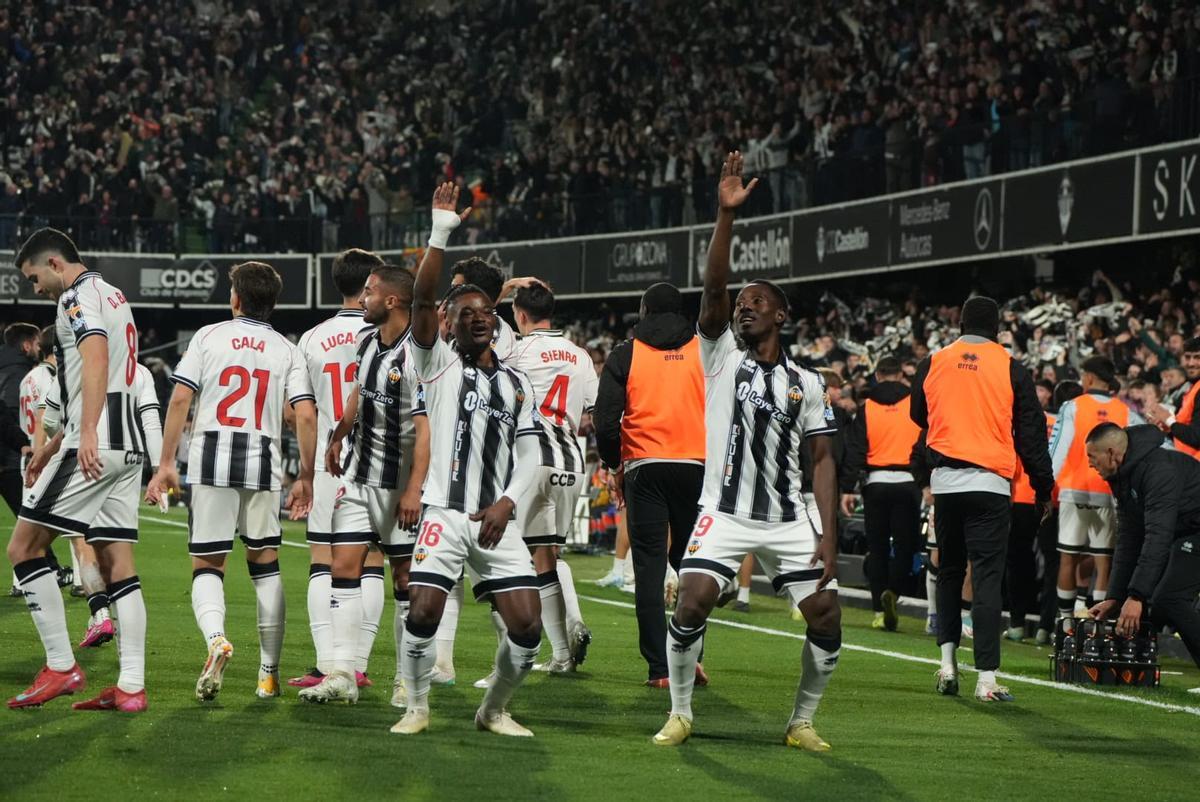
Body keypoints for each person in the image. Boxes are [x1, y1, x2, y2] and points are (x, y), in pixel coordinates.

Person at [654, 152, 841, 751]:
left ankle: (801, 721)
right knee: (693, 601)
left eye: (756, 300)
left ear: (781, 315)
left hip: (788, 517)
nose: (744, 305)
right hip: (726, 510)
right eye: (742, 301)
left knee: (827, 620)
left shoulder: (808, 383)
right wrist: (725, 216)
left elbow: (823, 461)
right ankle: (680, 712)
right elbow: (712, 290)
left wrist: (828, 534)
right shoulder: (722, 360)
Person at [390, 183, 542, 737]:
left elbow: (530, 455)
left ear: (496, 322)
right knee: (423, 611)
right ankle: (417, 706)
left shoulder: (517, 380)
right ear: (447, 324)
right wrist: (439, 232)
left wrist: (507, 500)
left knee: (528, 630)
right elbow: (425, 297)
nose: (478, 318)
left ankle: (494, 709)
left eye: (486, 312)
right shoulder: (436, 367)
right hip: (444, 514)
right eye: (465, 312)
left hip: (496, 518)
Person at [146, 261, 317, 702]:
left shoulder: (208, 336)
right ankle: (268, 674)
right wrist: (306, 477)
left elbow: (181, 396)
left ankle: (217, 639)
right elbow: (304, 413)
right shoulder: (287, 349)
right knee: (266, 567)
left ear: (236, 299)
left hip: (210, 459)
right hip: (262, 459)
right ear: (273, 303)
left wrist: (166, 462)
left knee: (207, 565)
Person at [8, 228, 148, 712]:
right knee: (118, 566)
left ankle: (62, 666)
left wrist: (85, 432)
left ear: (53, 263)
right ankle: (131, 687)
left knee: (23, 548)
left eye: (33, 278)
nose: (34, 288)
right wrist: (48, 451)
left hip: (99, 441)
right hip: (128, 445)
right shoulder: (112, 293)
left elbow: (95, 356)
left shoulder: (75, 296)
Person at [910, 295, 1053, 703]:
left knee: (950, 572)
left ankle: (947, 665)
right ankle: (987, 678)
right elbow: (1031, 435)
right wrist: (1043, 488)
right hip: (989, 482)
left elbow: (919, 415)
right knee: (988, 578)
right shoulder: (1010, 367)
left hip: (945, 484)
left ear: (960, 324)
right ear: (997, 327)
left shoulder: (934, 361)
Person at [299, 263, 429, 706]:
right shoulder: (366, 341)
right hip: (360, 475)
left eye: (370, 292)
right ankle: (341, 672)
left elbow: (427, 428)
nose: (362, 299)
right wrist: (337, 436)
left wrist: (414, 489)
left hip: (402, 485)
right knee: (344, 567)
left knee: (405, 579)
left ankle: (406, 678)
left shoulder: (422, 353)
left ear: (392, 300)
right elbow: (358, 392)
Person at [593, 279, 706, 687]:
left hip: (645, 464)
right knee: (695, 566)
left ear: (644, 312)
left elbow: (606, 420)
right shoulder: (703, 350)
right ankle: (692, 660)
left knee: (650, 566)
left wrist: (614, 461)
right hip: (697, 465)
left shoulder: (626, 352)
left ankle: (661, 669)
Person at [289, 248, 379, 689]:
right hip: (383, 462)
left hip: (331, 462)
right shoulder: (390, 332)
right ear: (372, 284)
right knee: (375, 563)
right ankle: (358, 664)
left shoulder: (311, 338)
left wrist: (305, 473)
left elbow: (302, 414)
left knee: (323, 562)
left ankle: (328, 665)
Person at [508, 280, 598, 673]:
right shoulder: (580, 356)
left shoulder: (516, 350)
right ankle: (563, 651)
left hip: (529, 461)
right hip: (571, 463)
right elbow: (595, 410)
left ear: (521, 315)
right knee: (547, 556)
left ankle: (511, 659)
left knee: (507, 561)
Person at [41, 363, 161, 648]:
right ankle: (131, 668)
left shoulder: (75, 363)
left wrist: (61, 441)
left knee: (74, 539)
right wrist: (158, 469)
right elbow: (151, 420)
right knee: (119, 554)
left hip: (86, 454)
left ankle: (99, 613)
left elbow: (49, 421)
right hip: (128, 459)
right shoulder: (139, 371)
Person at [1087, 423, 1200, 670]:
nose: (1089, 464)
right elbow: (1129, 539)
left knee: (1169, 599)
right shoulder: (1123, 475)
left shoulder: (1158, 470)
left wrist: (1137, 595)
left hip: (1192, 528)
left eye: (1092, 457)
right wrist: (1116, 597)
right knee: (1151, 603)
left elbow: (1157, 536)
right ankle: (1134, 668)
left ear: (1111, 453)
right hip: (1185, 530)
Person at [1048, 356, 1142, 618]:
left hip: (1074, 489)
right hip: (1108, 493)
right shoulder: (1126, 412)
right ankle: (1097, 623)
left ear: (1088, 377)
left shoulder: (1072, 406)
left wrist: (1045, 486)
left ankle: (1066, 623)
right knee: (1104, 561)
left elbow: (1057, 447)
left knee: (1069, 557)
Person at [839, 355, 923, 631]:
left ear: (876, 375)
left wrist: (847, 488)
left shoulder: (867, 408)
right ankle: (894, 593)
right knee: (904, 546)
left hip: (875, 483)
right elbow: (927, 443)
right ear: (901, 375)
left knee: (876, 548)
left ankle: (878, 608)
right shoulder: (915, 404)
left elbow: (855, 450)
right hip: (908, 483)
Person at [2, 322, 66, 592]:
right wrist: (37, 453)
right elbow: (44, 420)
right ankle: (75, 578)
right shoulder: (46, 378)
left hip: (24, 453)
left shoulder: (27, 377)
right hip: (39, 454)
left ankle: (30, 576)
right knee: (60, 523)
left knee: (27, 518)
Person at [1145, 337, 1200, 458]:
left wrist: (1169, 420)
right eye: (1188, 357)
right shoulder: (1193, 388)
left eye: (1197, 357)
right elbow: (1188, 434)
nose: (1191, 363)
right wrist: (1169, 428)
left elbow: (1197, 437)